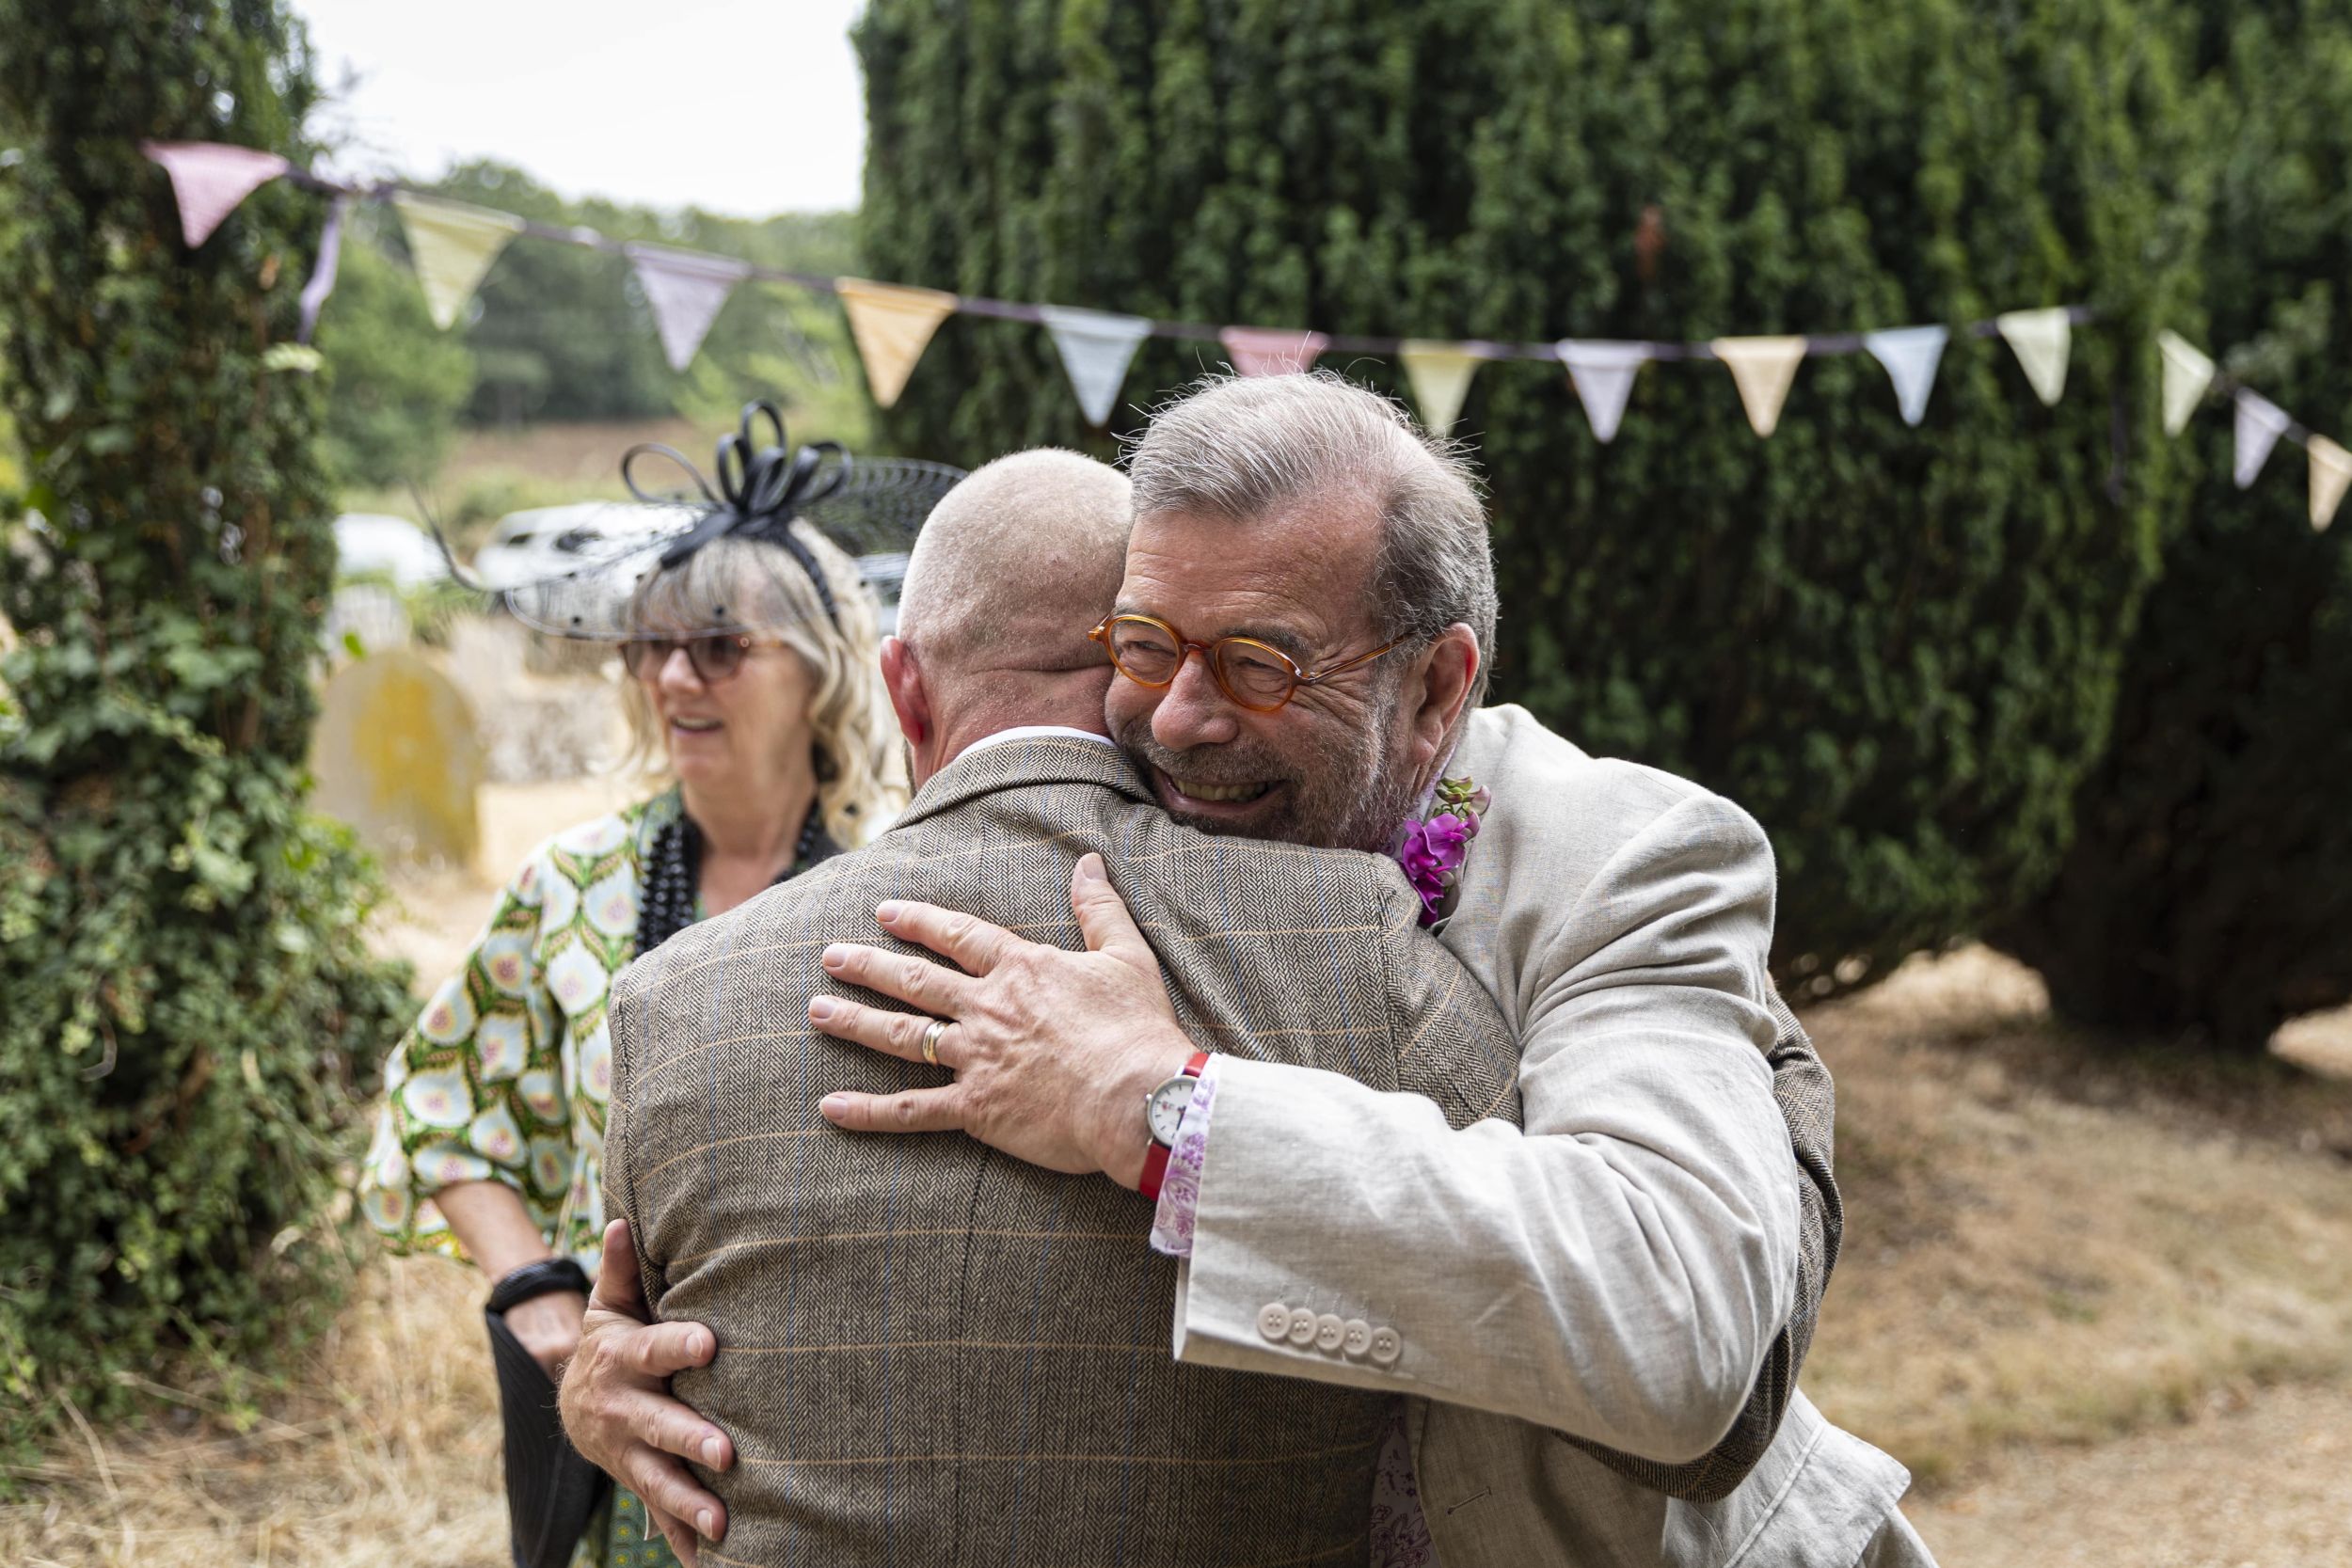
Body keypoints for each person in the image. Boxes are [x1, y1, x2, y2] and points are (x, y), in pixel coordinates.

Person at [564, 429, 1922, 1566]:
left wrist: (1159, 1107)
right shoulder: (1152, 847)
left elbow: (1689, 1337)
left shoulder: (1622, 858)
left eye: (1260, 664)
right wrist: (633, 1369)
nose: (1171, 723)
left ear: (1437, 686)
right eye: (1145, 648)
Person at [358, 406, 957, 1568]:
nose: (674, 675)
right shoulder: (572, 885)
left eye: (720, 645)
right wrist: (531, 1284)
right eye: (651, 645)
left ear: (819, 669)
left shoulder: (905, 882)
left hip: (849, 1444)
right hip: (627, 1441)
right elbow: (437, 1104)